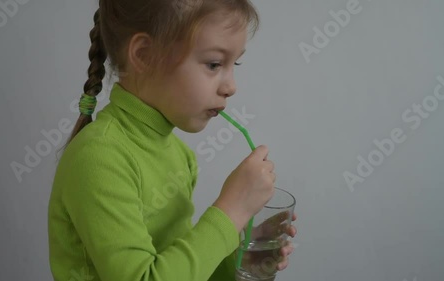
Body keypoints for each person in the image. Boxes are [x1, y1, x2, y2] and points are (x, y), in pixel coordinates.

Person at [47, 0, 297, 280]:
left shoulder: (180, 155)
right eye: (214, 64)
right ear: (144, 55)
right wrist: (231, 211)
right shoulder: (98, 158)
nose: (231, 87)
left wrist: (240, 255)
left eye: (234, 63)